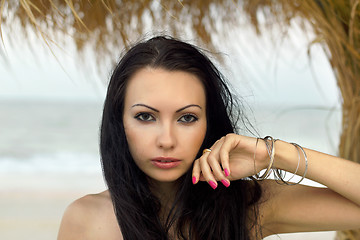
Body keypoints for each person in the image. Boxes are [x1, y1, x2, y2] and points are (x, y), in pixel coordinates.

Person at [57, 35, 360, 240]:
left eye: (187, 118)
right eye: (145, 117)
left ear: (208, 124)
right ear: (118, 122)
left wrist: (275, 153)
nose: (166, 139)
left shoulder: (251, 206)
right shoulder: (86, 220)